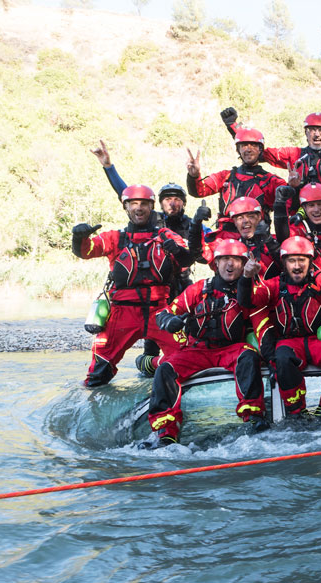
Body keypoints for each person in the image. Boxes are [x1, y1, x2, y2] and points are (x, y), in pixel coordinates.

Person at [139, 238, 269, 448]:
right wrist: (169, 321)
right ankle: (166, 431)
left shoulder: (251, 291)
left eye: (236, 260)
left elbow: (261, 322)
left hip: (230, 350)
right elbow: (165, 312)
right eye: (225, 259)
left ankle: (254, 417)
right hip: (197, 350)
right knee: (165, 369)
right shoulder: (199, 288)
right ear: (215, 264)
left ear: (245, 264)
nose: (230, 265)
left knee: (249, 356)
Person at [90, 141, 196, 376]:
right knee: (150, 344)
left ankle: (163, 368)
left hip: (179, 289)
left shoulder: (194, 224)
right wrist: (108, 167)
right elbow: (126, 195)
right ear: (158, 203)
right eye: (167, 198)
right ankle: (148, 367)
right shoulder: (151, 219)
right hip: (151, 288)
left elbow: (203, 250)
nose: (172, 202)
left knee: (184, 342)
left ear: (184, 202)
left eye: (177, 198)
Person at [72, 185, 190, 387]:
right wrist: (79, 237)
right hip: (121, 314)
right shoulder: (115, 238)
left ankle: (153, 368)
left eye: (144, 203)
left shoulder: (165, 236)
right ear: (125, 206)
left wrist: (177, 252)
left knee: (188, 360)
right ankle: (93, 407)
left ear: (151, 206)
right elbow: (86, 251)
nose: (139, 208)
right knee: (98, 372)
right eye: (133, 203)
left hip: (159, 312)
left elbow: (188, 257)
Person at [239, 236, 321, 421]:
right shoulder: (273, 285)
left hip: (317, 340)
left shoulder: (320, 278)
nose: (297, 266)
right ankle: (297, 412)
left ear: (310, 261)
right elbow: (247, 300)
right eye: (292, 260)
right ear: (284, 263)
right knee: (281, 359)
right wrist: (246, 277)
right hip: (289, 342)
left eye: (302, 260)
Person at [186, 128, 287, 217]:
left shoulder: (271, 181)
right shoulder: (225, 176)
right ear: (238, 150)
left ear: (260, 150)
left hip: (256, 234)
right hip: (225, 234)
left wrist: (293, 185)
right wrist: (193, 176)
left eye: (253, 145)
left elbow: (289, 207)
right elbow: (199, 191)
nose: (249, 149)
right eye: (244, 146)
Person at [189, 196, 280, 279]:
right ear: (234, 222)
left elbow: (288, 267)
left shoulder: (273, 241)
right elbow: (199, 255)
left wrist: (269, 241)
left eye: (251, 216)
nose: (246, 221)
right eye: (240, 218)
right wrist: (195, 224)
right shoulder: (225, 243)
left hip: (268, 293)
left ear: (259, 217)